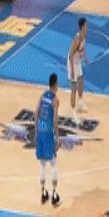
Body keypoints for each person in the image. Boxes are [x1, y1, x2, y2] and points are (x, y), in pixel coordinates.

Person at [35, 73, 62, 207]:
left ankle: (43, 193)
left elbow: (36, 112)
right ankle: (55, 195)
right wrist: (58, 137)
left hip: (40, 132)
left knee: (42, 164)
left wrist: (36, 130)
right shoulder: (55, 100)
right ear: (55, 84)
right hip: (48, 134)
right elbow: (55, 120)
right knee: (53, 164)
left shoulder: (43, 95)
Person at [68, 17, 88, 125]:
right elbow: (71, 55)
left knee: (81, 80)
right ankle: (74, 114)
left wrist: (85, 57)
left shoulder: (84, 36)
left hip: (77, 62)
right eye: (86, 25)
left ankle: (80, 103)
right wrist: (72, 70)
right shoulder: (77, 39)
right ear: (82, 27)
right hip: (72, 62)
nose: (87, 27)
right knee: (73, 88)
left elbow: (82, 48)